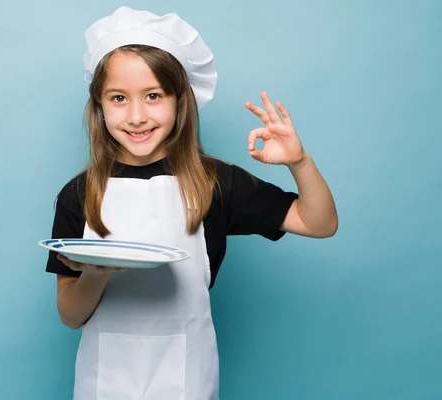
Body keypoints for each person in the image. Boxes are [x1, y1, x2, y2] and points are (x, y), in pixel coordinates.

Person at [45, 6, 338, 400]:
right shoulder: (78, 194)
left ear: (180, 100)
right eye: (118, 98)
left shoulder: (215, 182)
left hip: (187, 379)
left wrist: (299, 163)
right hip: (104, 381)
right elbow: (70, 315)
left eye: (153, 96)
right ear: (99, 105)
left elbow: (319, 223)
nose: (136, 116)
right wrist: (96, 274)